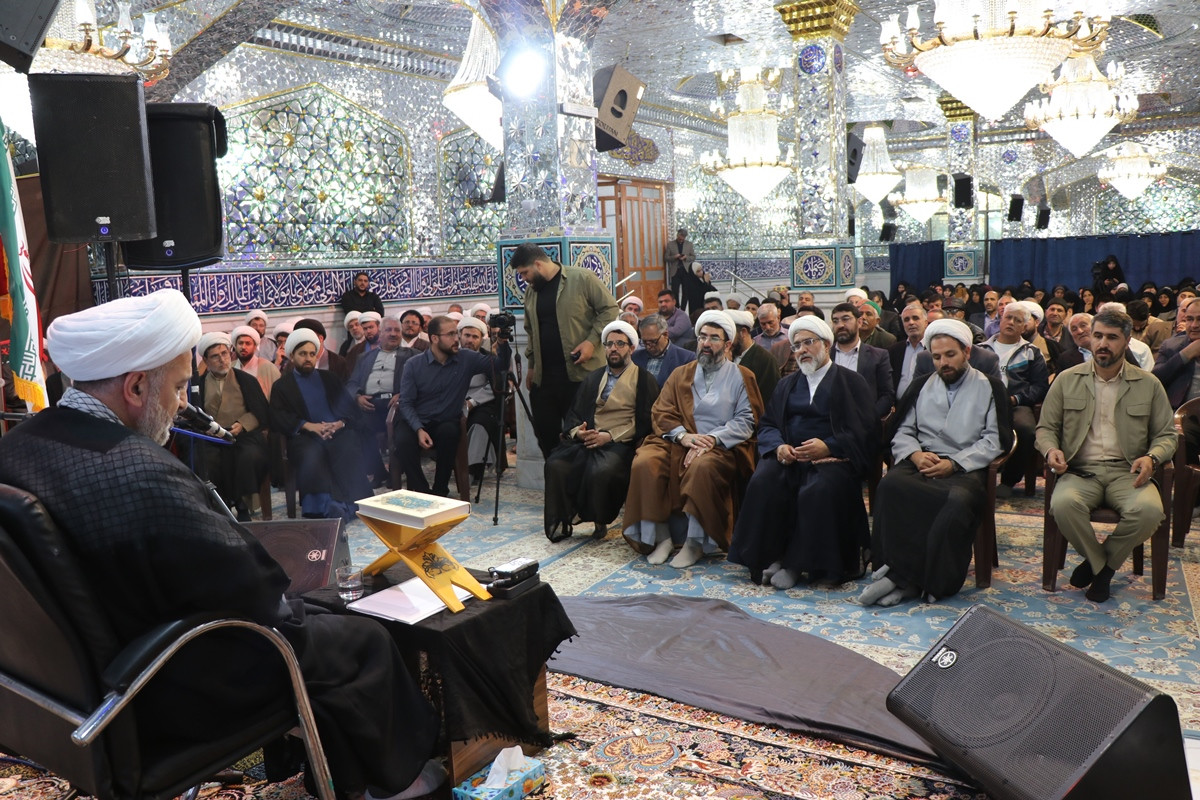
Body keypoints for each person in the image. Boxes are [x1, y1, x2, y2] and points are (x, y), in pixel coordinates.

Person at [0, 289, 443, 800]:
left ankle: (345, 776)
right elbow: (255, 593)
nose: (181, 404)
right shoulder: (139, 473)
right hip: (161, 685)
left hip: (73, 689)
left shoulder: (17, 445)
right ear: (136, 386)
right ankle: (401, 783)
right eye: (178, 387)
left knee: (319, 622)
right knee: (361, 640)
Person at [860, 319, 1011, 606]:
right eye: (937, 357)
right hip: (922, 459)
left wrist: (954, 463)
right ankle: (898, 573)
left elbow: (994, 439)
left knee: (955, 502)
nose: (944, 363)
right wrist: (915, 455)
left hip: (966, 466)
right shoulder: (920, 386)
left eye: (950, 355)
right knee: (890, 486)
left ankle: (907, 580)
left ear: (967, 351)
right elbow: (904, 430)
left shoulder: (990, 387)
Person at [1037, 307, 1176, 602]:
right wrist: (1051, 450)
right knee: (1063, 505)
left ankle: (1099, 566)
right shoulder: (1066, 379)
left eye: (1111, 337)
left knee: (1150, 511)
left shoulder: (1148, 384)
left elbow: (1166, 435)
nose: (1102, 343)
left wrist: (1152, 457)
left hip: (1128, 472)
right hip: (1079, 471)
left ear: (1127, 341)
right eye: (1097, 336)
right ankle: (1103, 568)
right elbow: (1045, 428)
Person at [728, 316, 877, 589]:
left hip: (833, 460)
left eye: (809, 342)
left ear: (827, 344)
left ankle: (797, 565)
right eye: (796, 346)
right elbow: (768, 424)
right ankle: (771, 556)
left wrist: (829, 445)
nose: (802, 350)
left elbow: (865, 430)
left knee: (817, 489)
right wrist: (778, 447)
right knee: (764, 480)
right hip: (790, 456)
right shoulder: (786, 384)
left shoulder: (851, 382)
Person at [622, 310, 764, 568]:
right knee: (645, 461)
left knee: (701, 467)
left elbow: (747, 420)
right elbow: (661, 411)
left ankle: (695, 543)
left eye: (714, 338)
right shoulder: (681, 373)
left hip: (720, 446)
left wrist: (711, 440)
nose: (706, 343)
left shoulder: (742, 375)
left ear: (727, 344)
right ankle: (662, 538)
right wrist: (683, 436)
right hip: (678, 440)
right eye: (702, 337)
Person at [544, 320, 659, 542]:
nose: (613, 348)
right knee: (555, 464)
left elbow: (646, 420)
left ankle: (599, 520)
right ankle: (564, 519)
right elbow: (575, 412)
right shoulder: (594, 377)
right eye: (609, 344)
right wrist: (579, 433)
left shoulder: (644, 380)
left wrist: (610, 436)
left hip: (622, 442)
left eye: (620, 344)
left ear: (631, 348)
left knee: (602, 470)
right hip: (590, 438)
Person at [511, 244, 619, 458]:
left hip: (580, 377)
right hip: (545, 379)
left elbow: (610, 309)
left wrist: (591, 342)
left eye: (525, 272)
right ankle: (556, 476)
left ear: (538, 264)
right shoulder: (532, 291)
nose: (524, 279)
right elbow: (531, 331)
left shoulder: (582, 278)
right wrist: (532, 366)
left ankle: (579, 478)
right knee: (545, 435)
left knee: (581, 436)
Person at [396, 316, 511, 496]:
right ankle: (421, 490)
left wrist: (502, 343)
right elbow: (406, 402)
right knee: (402, 439)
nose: (456, 339)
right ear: (435, 338)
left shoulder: (466, 358)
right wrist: (418, 429)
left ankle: (440, 490)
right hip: (417, 420)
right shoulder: (414, 364)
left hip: (445, 420)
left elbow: (499, 365)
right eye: (450, 334)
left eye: (456, 334)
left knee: (449, 432)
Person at [270, 328, 373, 520]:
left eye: (312, 354)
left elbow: (350, 410)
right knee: (311, 452)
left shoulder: (329, 378)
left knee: (348, 443)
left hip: (336, 431)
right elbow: (278, 417)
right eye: (302, 354)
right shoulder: (282, 386)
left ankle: (353, 504)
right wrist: (308, 425)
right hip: (304, 436)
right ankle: (324, 507)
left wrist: (339, 423)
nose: (308, 358)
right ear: (292, 356)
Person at [193, 331, 270, 522]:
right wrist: (209, 429)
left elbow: (260, 411)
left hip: (243, 436)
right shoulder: (198, 385)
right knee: (206, 460)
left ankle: (242, 504)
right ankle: (221, 505)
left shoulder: (246, 380)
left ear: (230, 354)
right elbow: (195, 416)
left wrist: (242, 424)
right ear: (206, 360)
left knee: (249, 456)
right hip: (211, 438)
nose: (222, 360)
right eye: (215, 356)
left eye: (225, 354)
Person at [977, 303, 1049, 497]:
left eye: (1018, 320)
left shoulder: (1032, 352)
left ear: (1024, 327)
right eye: (1008, 317)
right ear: (1000, 320)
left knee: (1026, 430)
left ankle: (1009, 481)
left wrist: (1016, 399)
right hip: (982, 403)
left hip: (1015, 404)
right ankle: (976, 476)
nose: (1011, 322)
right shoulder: (981, 349)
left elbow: (1040, 387)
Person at [345, 317, 418, 486]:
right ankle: (378, 471)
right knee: (355, 426)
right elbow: (352, 383)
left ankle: (395, 471)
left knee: (401, 432)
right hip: (370, 404)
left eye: (397, 330)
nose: (393, 334)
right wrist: (357, 397)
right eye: (388, 330)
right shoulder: (364, 358)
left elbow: (420, 382)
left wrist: (403, 394)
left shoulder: (412, 355)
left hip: (397, 405)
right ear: (380, 333)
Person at [828, 302, 894, 419]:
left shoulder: (878, 356)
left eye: (846, 319)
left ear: (859, 322)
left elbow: (887, 395)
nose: (840, 325)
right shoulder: (826, 356)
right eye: (835, 321)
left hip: (864, 422)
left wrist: (868, 418)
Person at [458, 317, 504, 482]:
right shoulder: (449, 356)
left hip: (481, 403)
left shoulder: (488, 358)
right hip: (454, 402)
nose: (470, 340)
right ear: (459, 336)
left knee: (480, 424)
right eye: (467, 335)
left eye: (475, 337)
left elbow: (495, 387)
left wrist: (472, 402)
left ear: (481, 340)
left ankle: (470, 470)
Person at [728, 309, 780, 401]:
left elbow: (770, 398)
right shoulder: (727, 356)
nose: (727, 341)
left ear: (743, 332)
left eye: (730, 335)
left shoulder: (765, 360)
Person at [632, 312, 696, 386]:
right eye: (645, 342)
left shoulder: (685, 358)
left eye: (653, 341)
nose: (649, 346)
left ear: (665, 335)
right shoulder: (635, 357)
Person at [231, 324, 281, 399]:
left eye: (248, 343)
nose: (243, 347)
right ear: (235, 346)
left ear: (255, 347)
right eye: (240, 343)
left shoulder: (269, 368)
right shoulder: (230, 368)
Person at [888, 302, 927, 398]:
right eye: (906, 320)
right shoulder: (894, 350)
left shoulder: (933, 349)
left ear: (926, 323)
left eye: (915, 318)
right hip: (898, 405)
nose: (911, 323)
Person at [665, 227, 696, 305]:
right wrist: (675, 257)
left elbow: (693, 257)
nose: (681, 240)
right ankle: (676, 308)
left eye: (683, 238)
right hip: (675, 271)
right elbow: (666, 258)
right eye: (680, 238)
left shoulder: (689, 244)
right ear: (677, 235)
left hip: (686, 271)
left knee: (686, 291)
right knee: (675, 291)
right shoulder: (670, 244)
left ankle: (683, 309)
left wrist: (686, 257)